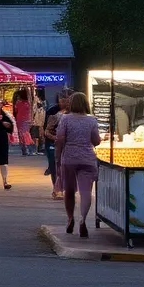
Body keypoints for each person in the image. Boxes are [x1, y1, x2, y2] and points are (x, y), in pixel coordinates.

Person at [55, 91, 100, 237]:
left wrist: (57, 158)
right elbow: (96, 141)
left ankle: (70, 219)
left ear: (71, 104)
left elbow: (60, 139)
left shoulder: (65, 119)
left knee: (69, 190)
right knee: (86, 191)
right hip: (87, 158)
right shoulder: (92, 120)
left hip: (69, 158)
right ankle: (83, 220)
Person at [44, 91, 71, 199]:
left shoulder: (74, 112)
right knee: (54, 166)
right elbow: (46, 130)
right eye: (62, 98)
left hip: (68, 144)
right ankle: (57, 189)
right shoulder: (53, 112)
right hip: (52, 143)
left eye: (67, 98)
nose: (64, 101)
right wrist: (55, 138)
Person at [13, 89, 34, 156]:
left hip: (19, 120)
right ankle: (28, 149)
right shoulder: (28, 102)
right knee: (26, 134)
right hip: (27, 120)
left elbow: (15, 110)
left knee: (21, 134)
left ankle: (24, 149)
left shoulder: (18, 103)